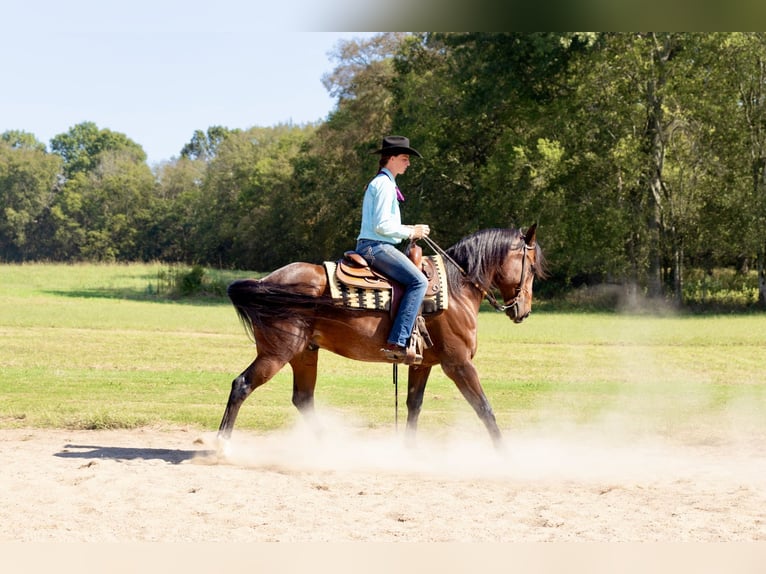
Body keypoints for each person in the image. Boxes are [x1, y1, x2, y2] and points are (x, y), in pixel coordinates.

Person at [356, 135, 431, 364]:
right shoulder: (384, 185)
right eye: (405, 158)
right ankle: (398, 341)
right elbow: (381, 225)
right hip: (374, 247)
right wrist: (411, 231)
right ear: (391, 159)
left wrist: (410, 230)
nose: (408, 163)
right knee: (419, 281)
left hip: (376, 244)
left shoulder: (385, 183)